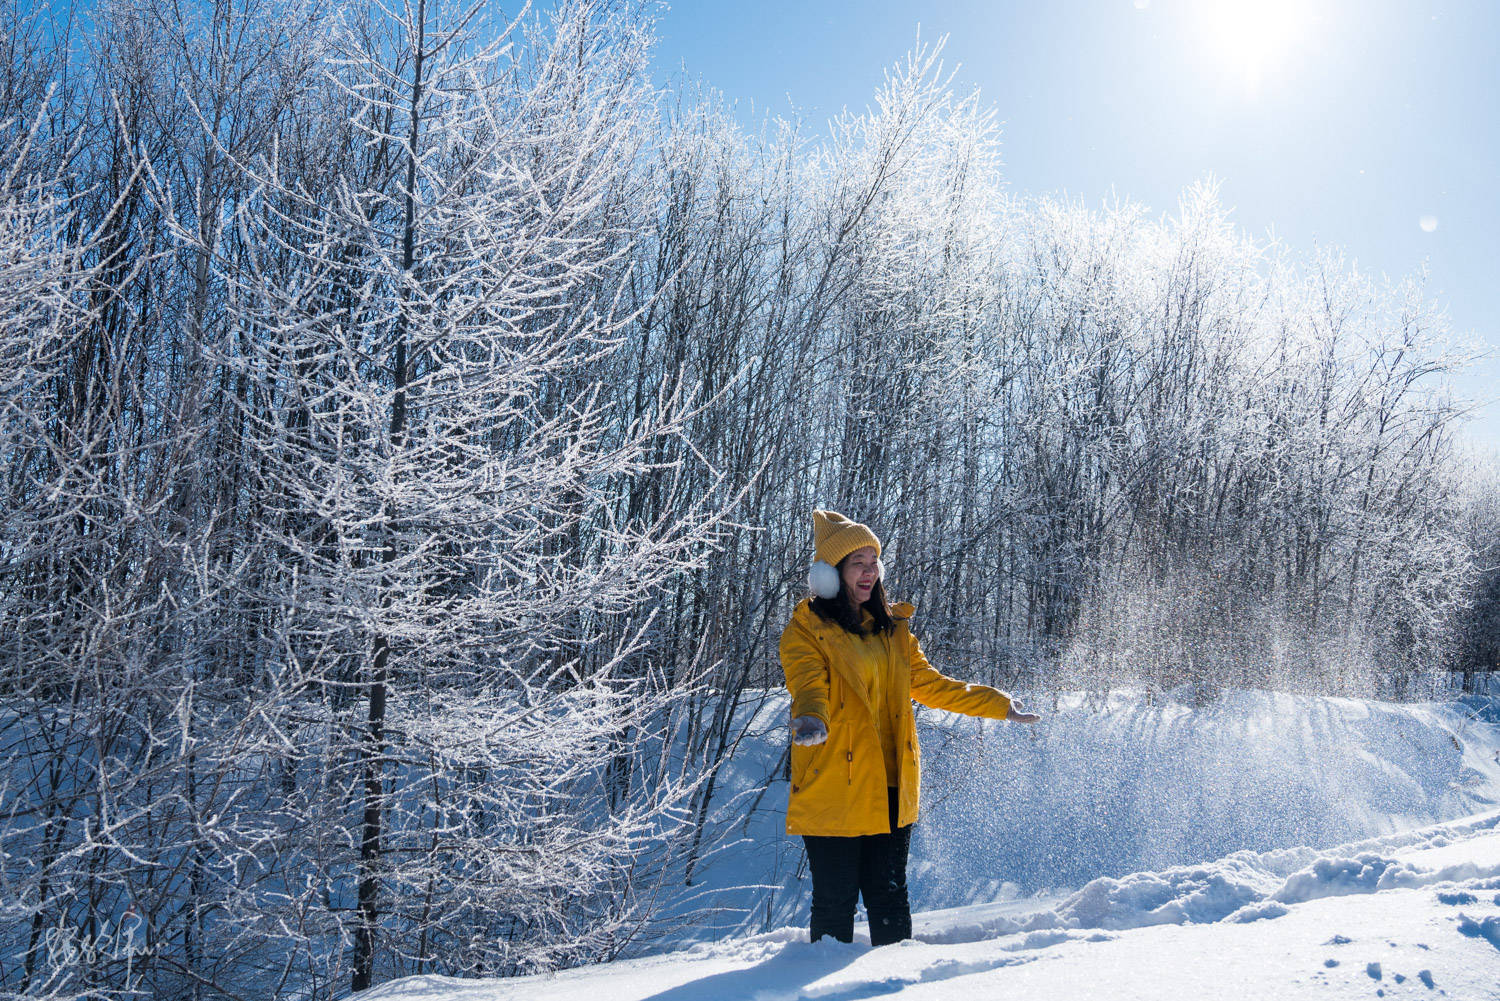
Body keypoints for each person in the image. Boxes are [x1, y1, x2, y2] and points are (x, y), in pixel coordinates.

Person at [780, 509, 1040, 946]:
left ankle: (891, 985)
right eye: (856, 563)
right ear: (830, 573)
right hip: (833, 782)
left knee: (888, 894)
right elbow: (809, 684)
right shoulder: (807, 630)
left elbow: (934, 686)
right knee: (834, 900)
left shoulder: (893, 630)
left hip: (891, 783)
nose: (868, 572)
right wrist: (811, 719)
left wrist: (999, 705)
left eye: (872, 562)